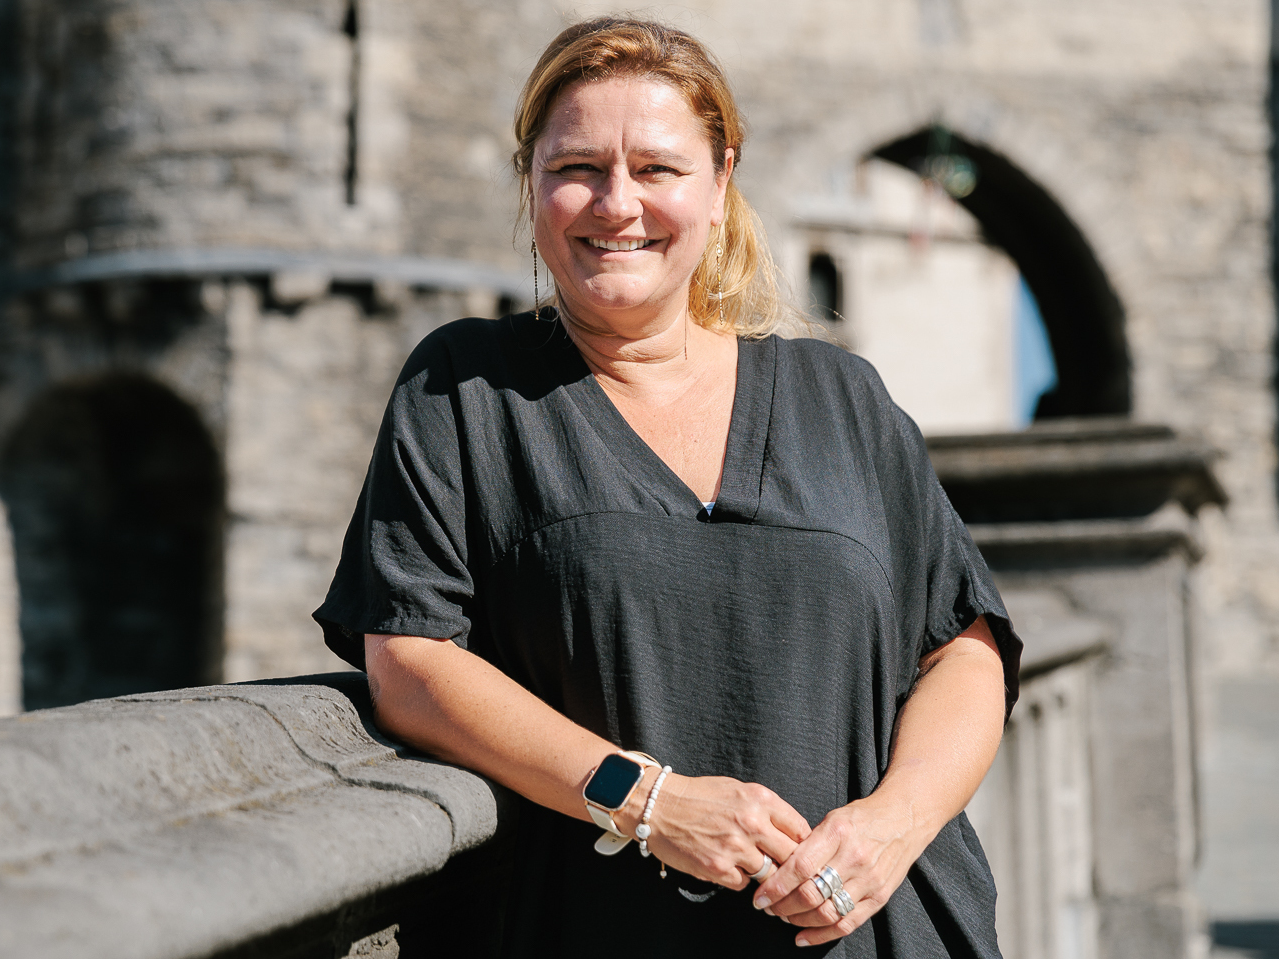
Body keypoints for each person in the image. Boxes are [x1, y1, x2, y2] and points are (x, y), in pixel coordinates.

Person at [312, 16, 1023, 958]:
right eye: (578, 168)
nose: (617, 204)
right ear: (531, 184)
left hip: (876, 932)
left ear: (720, 184)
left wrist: (893, 825)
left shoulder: (842, 397)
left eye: (656, 168)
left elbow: (964, 647)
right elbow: (410, 661)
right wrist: (644, 800)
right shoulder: (465, 388)